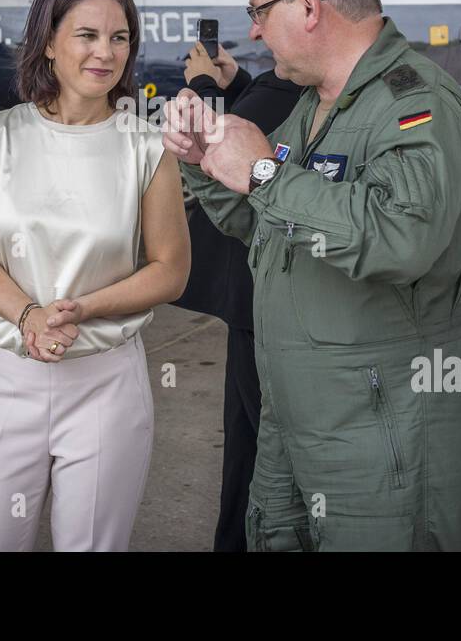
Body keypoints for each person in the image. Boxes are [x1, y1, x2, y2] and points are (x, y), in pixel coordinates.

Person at [163, 0, 461, 551]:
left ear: (309, 4)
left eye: (260, 11)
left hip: (381, 429)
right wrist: (205, 162)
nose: (254, 31)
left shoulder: (415, 104)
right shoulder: (316, 107)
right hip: (294, 415)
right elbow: (267, 224)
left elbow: (401, 237)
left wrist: (263, 172)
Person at [0, 0, 190, 551]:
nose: (105, 52)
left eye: (119, 37)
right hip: (12, 378)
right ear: (49, 42)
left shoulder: (147, 145)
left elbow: (171, 270)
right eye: (87, 35)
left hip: (106, 384)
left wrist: (82, 309)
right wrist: (29, 316)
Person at [173, 40, 301, 551]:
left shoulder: (300, 85)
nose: (256, 31)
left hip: (257, 301)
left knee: (255, 442)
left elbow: (231, 136)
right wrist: (237, 83)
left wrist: (203, 84)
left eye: (261, 13)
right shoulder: (288, 84)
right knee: (249, 437)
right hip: (256, 297)